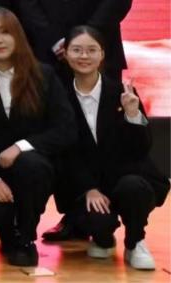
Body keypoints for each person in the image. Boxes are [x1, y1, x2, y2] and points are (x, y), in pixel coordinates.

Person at [0, 7, 75, 267]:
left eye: (5, 32)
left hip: (34, 169)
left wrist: (21, 146)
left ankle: (25, 237)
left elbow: (65, 128)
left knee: (30, 164)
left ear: (18, 35)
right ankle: (8, 233)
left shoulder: (44, 75)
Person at [54, 26, 168, 270]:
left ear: (102, 54)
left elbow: (141, 148)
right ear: (66, 54)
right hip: (85, 183)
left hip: (124, 177)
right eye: (77, 50)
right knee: (96, 219)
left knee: (133, 188)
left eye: (91, 50)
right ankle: (103, 239)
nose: (84, 56)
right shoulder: (58, 97)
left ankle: (135, 242)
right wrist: (89, 188)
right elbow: (65, 152)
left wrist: (132, 114)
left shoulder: (122, 93)